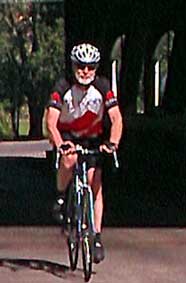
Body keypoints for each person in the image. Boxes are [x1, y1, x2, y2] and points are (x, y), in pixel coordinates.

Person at [45, 42, 123, 264]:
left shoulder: (102, 86)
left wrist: (113, 143)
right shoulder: (62, 86)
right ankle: (61, 196)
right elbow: (51, 121)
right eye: (80, 66)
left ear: (96, 68)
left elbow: (116, 118)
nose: (85, 71)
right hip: (68, 134)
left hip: (93, 136)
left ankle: (96, 236)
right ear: (73, 66)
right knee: (69, 160)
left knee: (94, 181)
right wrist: (60, 144)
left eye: (90, 67)